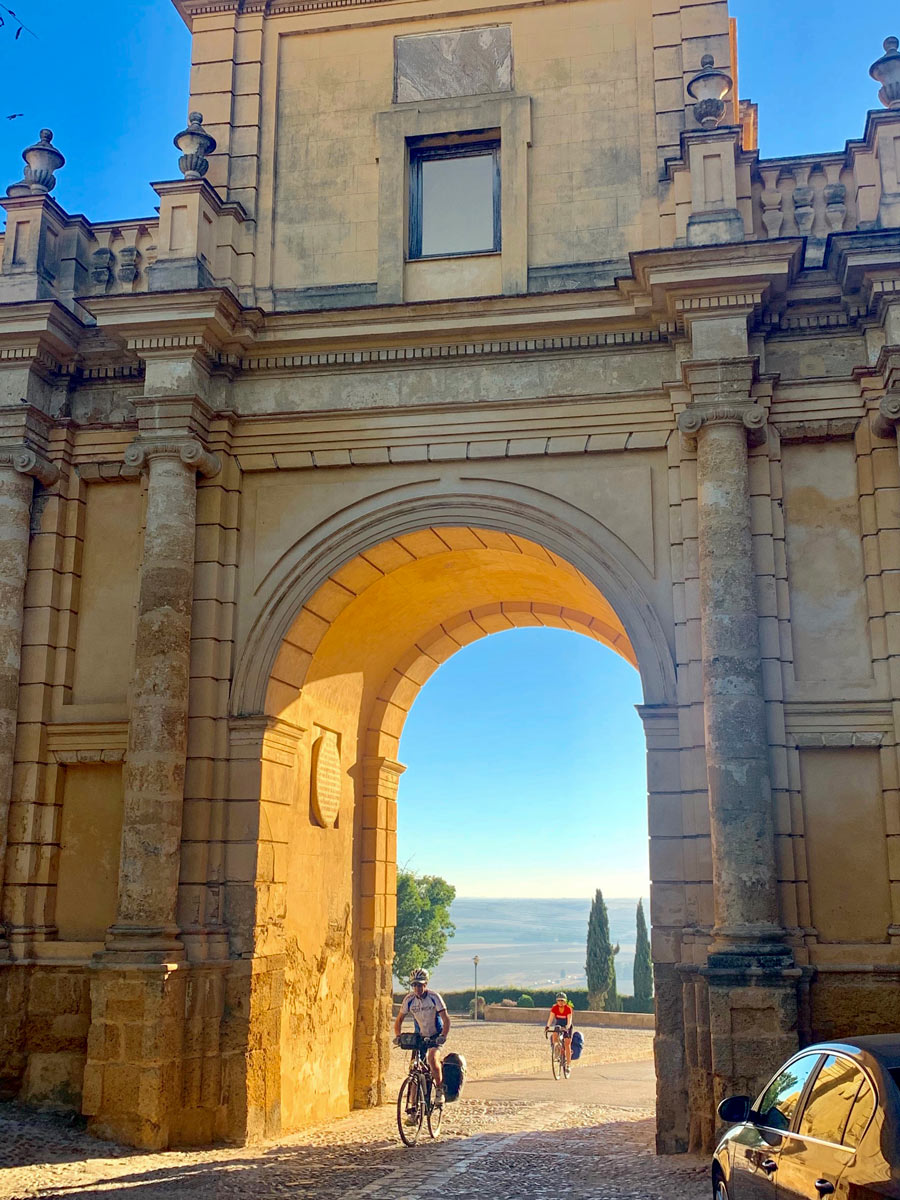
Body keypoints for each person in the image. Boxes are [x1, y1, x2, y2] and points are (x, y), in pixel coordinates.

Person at [393, 967, 451, 1104]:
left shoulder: (434, 997)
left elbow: (446, 1019)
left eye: (420, 984)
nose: (417, 988)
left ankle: (439, 1090)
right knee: (414, 1068)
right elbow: (399, 1019)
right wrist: (398, 1036)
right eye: (414, 985)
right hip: (419, 1036)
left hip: (435, 1035)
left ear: (425, 984)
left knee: (432, 1059)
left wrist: (443, 1035)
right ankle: (413, 1105)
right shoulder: (409, 999)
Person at [545, 990, 574, 1069]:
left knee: (567, 1044)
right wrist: (547, 1026)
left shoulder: (568, 1009)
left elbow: (569, 1021)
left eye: (562, 1001)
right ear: (556, 1001)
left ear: (565, 1001)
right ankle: (557, 1051)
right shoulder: (554, 1008)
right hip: (558, 1024)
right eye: (559, 1001)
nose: (560, 1002)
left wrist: (566, 1028)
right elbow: (551, 1018)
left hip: (567, 1025)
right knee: (555, 1035)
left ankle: (568, 1065)